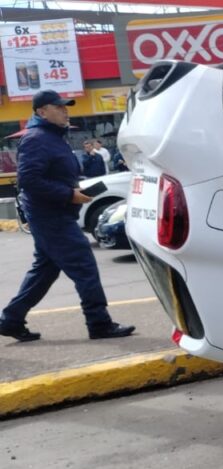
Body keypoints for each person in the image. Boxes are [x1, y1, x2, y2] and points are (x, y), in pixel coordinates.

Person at [0, 90, 135, 342]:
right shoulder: (36, 139)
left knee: (44, 271)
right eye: (59, 107)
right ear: (42, 112)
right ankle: (99, 323)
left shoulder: (53, 136)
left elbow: (53, 174)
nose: (66, 110)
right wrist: (68, 195)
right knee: (85, 267)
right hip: (51, 216)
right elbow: (29, 181)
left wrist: (77, 187)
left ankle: (10, 320)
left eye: (66, 106)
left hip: (55, 213)